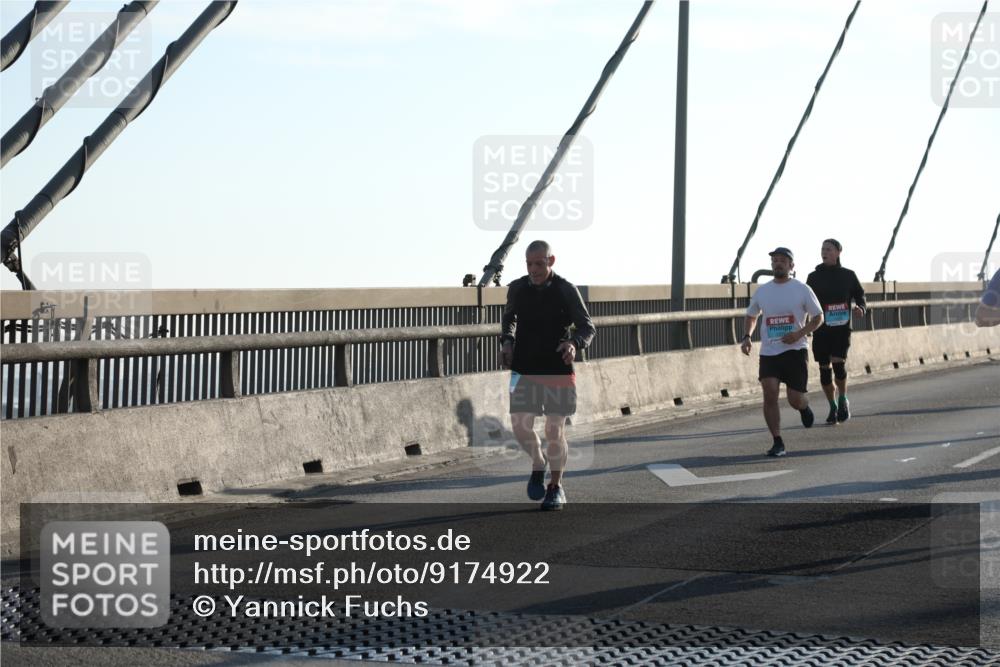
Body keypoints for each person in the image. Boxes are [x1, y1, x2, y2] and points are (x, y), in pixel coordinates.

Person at [500, 240, 596, 510]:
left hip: (557, 369)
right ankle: (538, 462)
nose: (534, 269)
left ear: (551, 261)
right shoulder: (517, 288)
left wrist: (574, 344)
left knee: (554, 430)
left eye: (539, 264)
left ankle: (555, 487)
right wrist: (507, 341)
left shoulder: (566, 290)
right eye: (529, 264)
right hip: (525, 367)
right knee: (520, 428)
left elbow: (587, 327)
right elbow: (509, 319)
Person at [741, 247, 824, 457]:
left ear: (791, 266)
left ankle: (804, 407)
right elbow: (752, 315)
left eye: (782, 261)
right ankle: (777, 441)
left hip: (795, 350)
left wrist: (799, 334)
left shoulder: (802, 289)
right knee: (769, 393)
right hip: (770, 351)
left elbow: (818, 317)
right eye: (775, 260)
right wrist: (748, 337)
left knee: (795, 399)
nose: (778, 264)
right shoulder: (763, 291)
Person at [806, 239, 867, 424]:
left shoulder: (848, 275)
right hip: (822, 328)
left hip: (841, 327)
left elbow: (860, 296)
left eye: (829, 249)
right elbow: (806, 301)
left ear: (839, 252)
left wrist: (861, 308)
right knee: (824, 370)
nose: (824, 252)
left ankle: (843, 400)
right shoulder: (813, 277)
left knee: (838, 365)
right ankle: (832, 406)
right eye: (822, 249)